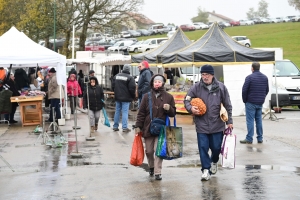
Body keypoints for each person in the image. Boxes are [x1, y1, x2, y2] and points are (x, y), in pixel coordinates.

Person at [184, 64, 233, 181]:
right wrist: (190, 108)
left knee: (216, 148)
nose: (205, 77)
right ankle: (206, 169)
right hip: (202, 124)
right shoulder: (196, 88)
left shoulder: (221, 87)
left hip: (217, 124)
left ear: (212, 75)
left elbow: (228, 105)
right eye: (203, 74)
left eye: (207, 74)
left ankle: (214, 161)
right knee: (203, 147)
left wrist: (229, 121)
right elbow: (186, 100)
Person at [135, 74, 176, 180]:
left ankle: (158, 172)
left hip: (161, 128)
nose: (157, 83)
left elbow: (173, 113)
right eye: (155, 82)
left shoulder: (169, 97)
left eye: (159, 81)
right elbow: (141, 113)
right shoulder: (146, 96)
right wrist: (138, 126)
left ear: (163, 83)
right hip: (148, 127)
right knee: (149, 151)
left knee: (158, 150)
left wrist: (169, 108)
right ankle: (152, 167)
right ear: (152, 83)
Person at [240, 62, 269, 144]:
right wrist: (262, 98)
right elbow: (267, 90)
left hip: (250, 102)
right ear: (259, 68)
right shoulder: (265, 77)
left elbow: (244, 90)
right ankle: (260, 138)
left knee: (250, 120)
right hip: (260, 102)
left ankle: (249, 138)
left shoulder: (249, 78)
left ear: (252, 68)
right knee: (259, 120)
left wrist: (245, 100)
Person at [112, 64, 136, 132]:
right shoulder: (130, 78)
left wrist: (116, 92)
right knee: (125, 112)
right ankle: (124, 127)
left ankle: (115, 126)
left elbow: (113, 86)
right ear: (129, 70)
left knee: (117, 111)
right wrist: (133, 96)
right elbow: (132, 89)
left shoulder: (116, 76)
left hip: (118, 97)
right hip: (126, 98)